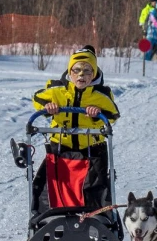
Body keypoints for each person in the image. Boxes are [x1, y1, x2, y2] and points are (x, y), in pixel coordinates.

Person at [31, 45, 120, 215]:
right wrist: (48, 106)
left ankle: (96, 219)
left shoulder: (101, 95)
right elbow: (37, 97)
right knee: (46, 184)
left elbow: (113, 115)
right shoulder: (57, 91)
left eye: (87, 71)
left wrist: (97, 115)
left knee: (94, 188)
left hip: (92, 149)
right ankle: (45, 218)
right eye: (77, 70)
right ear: (70, 72)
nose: (81, 75)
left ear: (93, 74)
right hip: (60, 147)